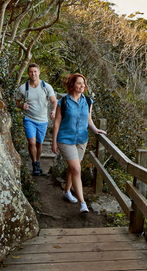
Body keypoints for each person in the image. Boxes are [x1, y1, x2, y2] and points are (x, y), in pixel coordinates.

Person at [52, 73, 106, 213]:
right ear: (72, 85)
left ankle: (66, 192)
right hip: (65, 139)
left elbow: (89, 119)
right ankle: (83, 203)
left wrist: (95, 129)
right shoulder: (63, 102)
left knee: (73, 167)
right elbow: (57, 122)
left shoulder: (88, 101)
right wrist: (54, 142)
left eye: (83, 83)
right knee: (76, 169)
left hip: (82, 140)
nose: (82, 86)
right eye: (79, 83)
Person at [15, 63, 58, 176]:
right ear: (28, 73)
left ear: (39, 72)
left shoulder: (46, 86)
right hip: (29, 119)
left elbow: (54, 101)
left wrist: (53, 110)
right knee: (32, 142)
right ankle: (34, 165)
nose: (33, 74)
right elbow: (17, 101)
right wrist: (22, 106)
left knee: (39, 143)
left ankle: (38, 163)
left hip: (43, 120)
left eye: (35, 71)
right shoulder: (24, 88)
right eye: (31, 72)